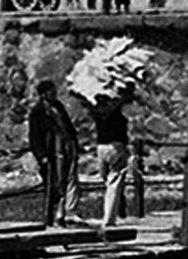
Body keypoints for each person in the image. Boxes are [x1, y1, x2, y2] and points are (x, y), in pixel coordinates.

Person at [28, 79, 81, 227]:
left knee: (70, 179)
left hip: (66, 147)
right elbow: (35, 136)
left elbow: (67, 126)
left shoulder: (59, 106)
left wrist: (75, 143)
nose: (55, 94)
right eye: (52, 92)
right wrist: (41, 155)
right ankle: (53, 216)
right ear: (44, 94)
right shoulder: (37, 112)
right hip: (52, 151)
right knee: (54, 184)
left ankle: (70, 212)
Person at [89, 90, 131, 231]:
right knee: (114, 182)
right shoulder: (115, 112)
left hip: (101, 146)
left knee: (106, 180)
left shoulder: (97, 113)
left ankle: (116, 207)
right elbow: (122, 100)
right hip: (116, 145)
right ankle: (109, 219)